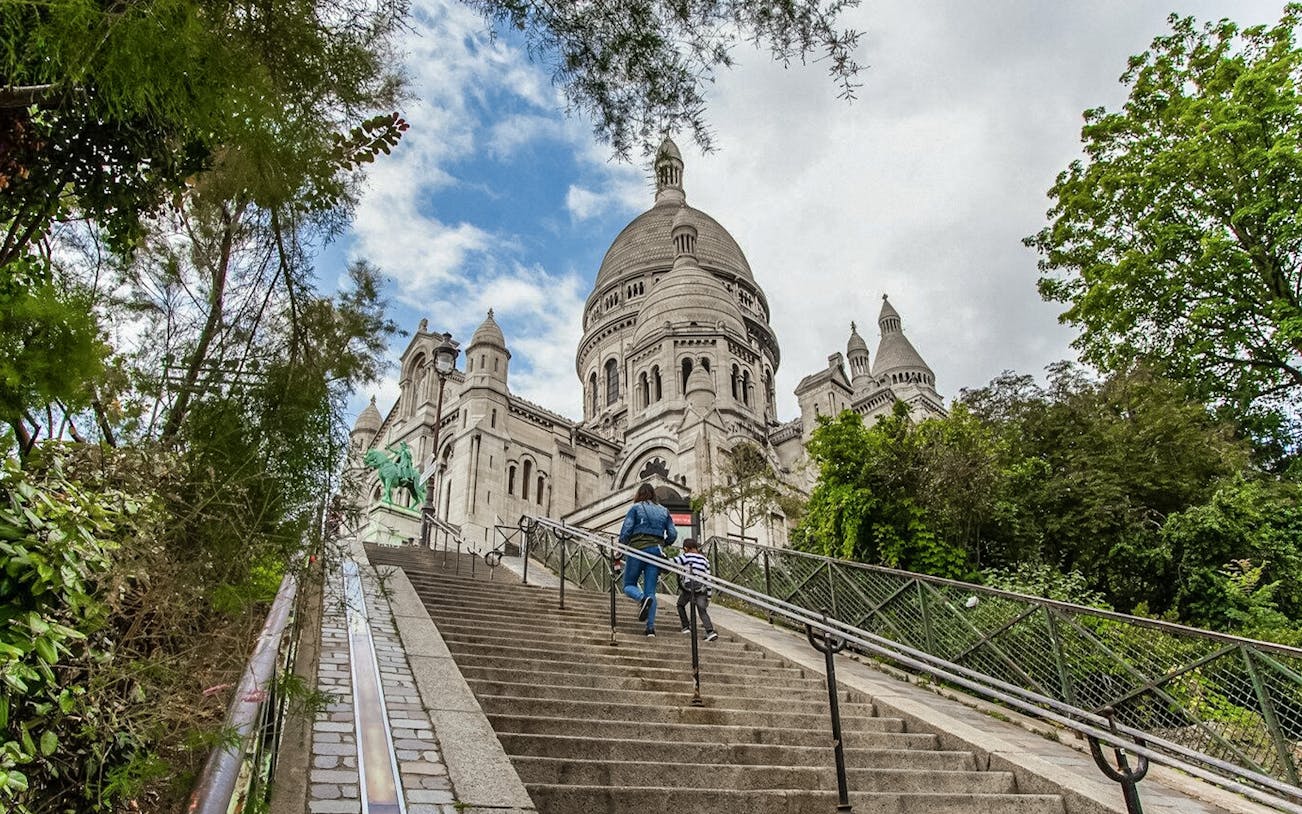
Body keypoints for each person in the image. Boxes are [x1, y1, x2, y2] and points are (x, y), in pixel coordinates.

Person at [618, 483, 677, 637]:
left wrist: (620, 548)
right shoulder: (664, 511)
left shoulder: (635, 508)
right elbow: (672, 534)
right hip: (655, 552)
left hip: (637, 550)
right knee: (651, 591)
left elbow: (626, 530)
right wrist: (663, 543)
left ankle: (642, 599)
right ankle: (650, 629)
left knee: (629, 585)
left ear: (640, 494)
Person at [673, 538, 717, 641]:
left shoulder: (686, 556)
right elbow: (708, 578)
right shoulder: (705, 560)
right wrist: (709, 596)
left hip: (689, 587)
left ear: (685, 548)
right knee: (702, 610)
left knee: (680, 605)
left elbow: (673, 561)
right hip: (701, 588)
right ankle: (710, 631)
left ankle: (686, 627)